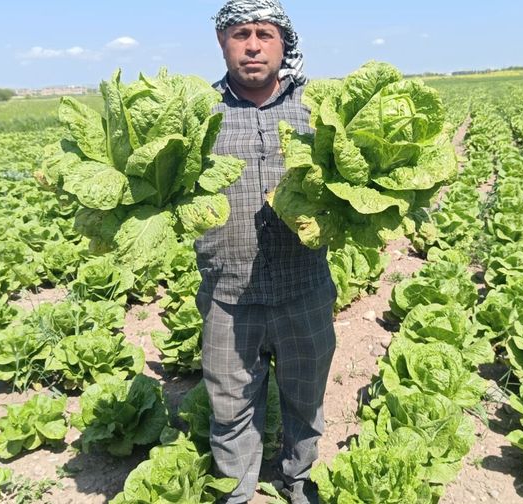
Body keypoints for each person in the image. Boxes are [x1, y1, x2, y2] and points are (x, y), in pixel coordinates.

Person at [194, 1, 335, 503]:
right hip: (227, 297)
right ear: (222, 43)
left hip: (305, 290)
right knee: (230, 408)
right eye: (239, 34)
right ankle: (236, 491)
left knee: (305, 400)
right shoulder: (197, 114)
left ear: (282, 43)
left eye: (264, 33)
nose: (252, 45)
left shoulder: (320, 109)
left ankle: (299, 482)